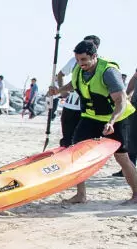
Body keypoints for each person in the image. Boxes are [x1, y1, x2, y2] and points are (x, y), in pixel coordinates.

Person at [47, 40, 137, 204]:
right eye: (78, 60)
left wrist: (111, 122)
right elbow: (73, 85)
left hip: (117, 117)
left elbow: (121, 101)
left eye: (84, 60)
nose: (81, 64)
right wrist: (58, 90)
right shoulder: (79, 69)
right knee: (76, 152)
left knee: (121, 158)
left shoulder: (108, 72)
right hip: (91, 116)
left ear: (94, 56)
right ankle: (81, 195)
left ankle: (136, 194)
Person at [56, 35, 99, 149]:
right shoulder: (75, 60)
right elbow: (60, 75)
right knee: (67, 140)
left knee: (83, 141)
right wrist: (62, 92)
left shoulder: (100, 65)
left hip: (88, 109)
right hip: (71, 106)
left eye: (89, 44)